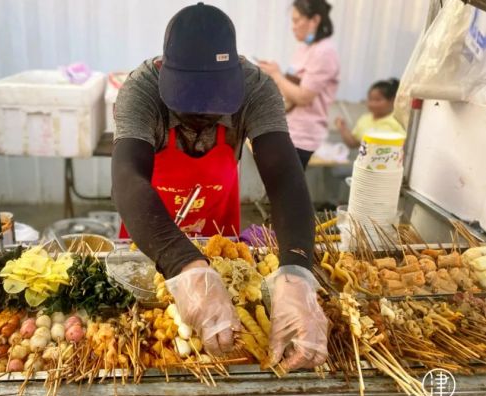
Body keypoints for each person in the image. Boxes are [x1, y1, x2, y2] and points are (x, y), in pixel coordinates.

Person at [111, 3, 328, 371]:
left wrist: (296, 273)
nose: (203, 116)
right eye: (190, 104)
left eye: (215, 104)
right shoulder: (141, 90)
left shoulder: (257, 88)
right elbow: (126, 179)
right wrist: (186, 266)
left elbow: (285, 178)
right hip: (153, 236)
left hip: (220, 236)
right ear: (165, 72)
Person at [258, 0, 340, 169]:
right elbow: (290, 88)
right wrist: (275, 74)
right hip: (289, 130)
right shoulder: (304, 48)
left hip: (303, 137)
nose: (293, 27)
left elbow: (303, 97)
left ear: (315, 20)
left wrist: (276, 74)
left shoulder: (324, 51)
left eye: (297, 21)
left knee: (286, 191)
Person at [335, 78, 405, 148]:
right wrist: (342, 128)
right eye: (370, 99)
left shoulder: (398, 121)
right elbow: (353, 144)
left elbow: (403, 146)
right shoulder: (364, 119)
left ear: (392, 100)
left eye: (377, 100)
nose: (372, 104)